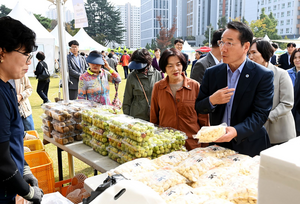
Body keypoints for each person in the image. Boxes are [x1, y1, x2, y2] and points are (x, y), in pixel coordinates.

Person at [195, 21, 274, 157]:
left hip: (249, 144)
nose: (223, 49)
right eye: (222, 42)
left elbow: (260, 114)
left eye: (229, 43)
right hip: (218, 144)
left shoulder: (262, 75)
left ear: (246, 46)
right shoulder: (212, 73)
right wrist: (212, 100)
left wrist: (236, 131)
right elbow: (199, 107)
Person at [0, 16, 43, 203]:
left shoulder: (8, 87)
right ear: (2, 53)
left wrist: (24, 168)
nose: (28, 62)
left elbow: (13, 137)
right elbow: (1, 160)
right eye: (26, 54)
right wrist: (27, 191)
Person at [150, 48, 209, 150]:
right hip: (166, 145)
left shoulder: (195, 86)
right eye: (170, 66)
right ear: (164, 67)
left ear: (183, 65)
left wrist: (204, 145)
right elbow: (154, 117)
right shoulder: (158, 87)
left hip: (192, 144)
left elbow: (203, 118)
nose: (175, 69)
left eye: (178, 64)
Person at [248, 38, 295, 145]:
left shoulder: (281, 74)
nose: (250, 57)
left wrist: (265, 116)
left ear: (265, 53)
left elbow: (287, 103)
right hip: (254, 132)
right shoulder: (249, 75)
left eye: (254, 52)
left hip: (279, 132)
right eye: (249, 53)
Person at [122, 49, 162, 121]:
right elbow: (127, 100)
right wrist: (127, 119)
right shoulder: (132, 76)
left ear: (148, 62)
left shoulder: (157, 74)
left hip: (154, 117)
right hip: (136, 118)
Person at [288, 48, 300, 136]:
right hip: (290, 109)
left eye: (299, 57)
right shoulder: (286, 73)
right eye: (295, 57)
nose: (297, 60)